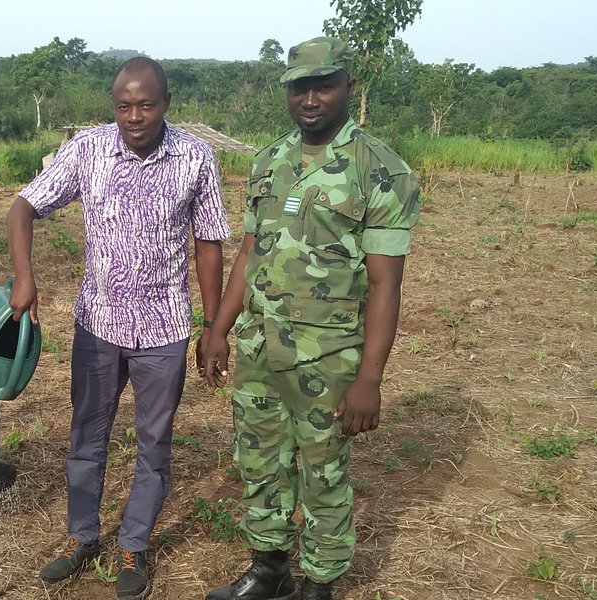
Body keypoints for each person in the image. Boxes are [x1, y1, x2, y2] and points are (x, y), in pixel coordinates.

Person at [200, 37, 421, 600]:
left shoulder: (382, 171)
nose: (311, 99)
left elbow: (384, 284)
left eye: (323, 85)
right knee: (259, 462)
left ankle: (321, 583)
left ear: (348, 86)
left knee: (323, 474)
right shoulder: (268, 161)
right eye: (300, 87)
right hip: (258, 348)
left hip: (328, 356)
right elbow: (249, 251)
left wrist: (370, 378)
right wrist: (218, 329)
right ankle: (269, 568)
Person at [8, 57, 229, 600]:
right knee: (87, 437)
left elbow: (208, 244)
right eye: (124, 105)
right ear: (113, 105)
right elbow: (23, 206)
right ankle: (81, 536)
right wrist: (24, 276)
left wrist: (213, 326)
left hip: (166, 329)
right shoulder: (87, 149)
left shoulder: (196, 158)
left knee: (154, 441)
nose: (135, 115)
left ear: (166, 103)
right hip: (99, 325)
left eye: (146, 104)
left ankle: (134, 543)